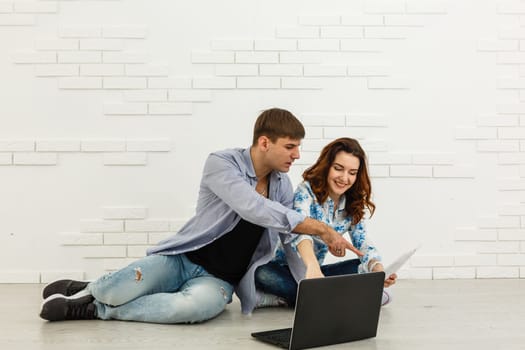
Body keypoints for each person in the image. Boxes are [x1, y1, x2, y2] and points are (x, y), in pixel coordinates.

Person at [39, 108, 363, 324]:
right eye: (291, 147)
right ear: (265, 142)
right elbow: (251, 206)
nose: (297, 155)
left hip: (219, 280)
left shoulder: (282, 185)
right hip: (181, 259)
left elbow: (290, 237)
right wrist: (321, 228)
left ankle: (95, 306)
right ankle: (99, 287)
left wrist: (311, 278)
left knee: (189, 309)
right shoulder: (222, 163)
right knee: (117, 286)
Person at [254, 137, 397, 308]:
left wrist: (379, 270)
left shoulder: (352, 203)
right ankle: (339, 298)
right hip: (287, 269)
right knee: (261, 273)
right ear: (327, 166)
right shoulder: (306, 191)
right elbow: (300, 230)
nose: (344, 178)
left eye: (352, 173)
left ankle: (305, 298)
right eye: (338, 169)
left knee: (363, 267)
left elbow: (362, 241)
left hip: (318, 277)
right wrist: (312, 266)